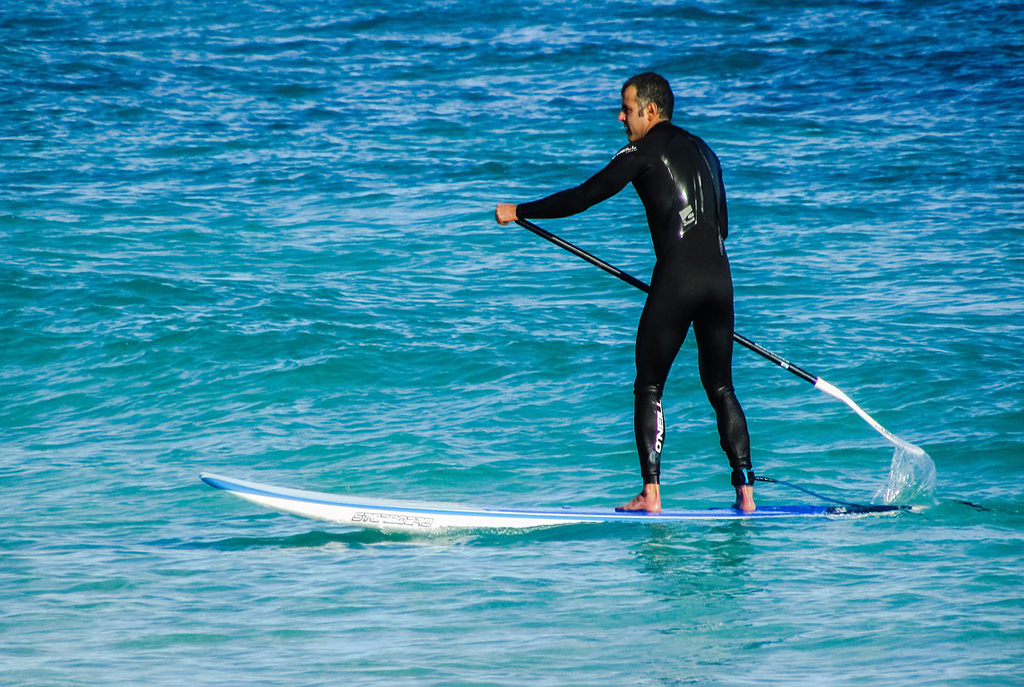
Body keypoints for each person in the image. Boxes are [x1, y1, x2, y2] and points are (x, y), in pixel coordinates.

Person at [495, 72, 755, 512]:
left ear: (650, 111)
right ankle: (746, 494)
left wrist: (520, 210)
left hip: (678, 277)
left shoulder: (644, 149)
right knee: (722, 387)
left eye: (627, 108)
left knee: (649, 384)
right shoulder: (707, 152)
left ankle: (651, 493)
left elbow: (585, 194)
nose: (621, 117)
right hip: (721, 278)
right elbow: (722, 227)